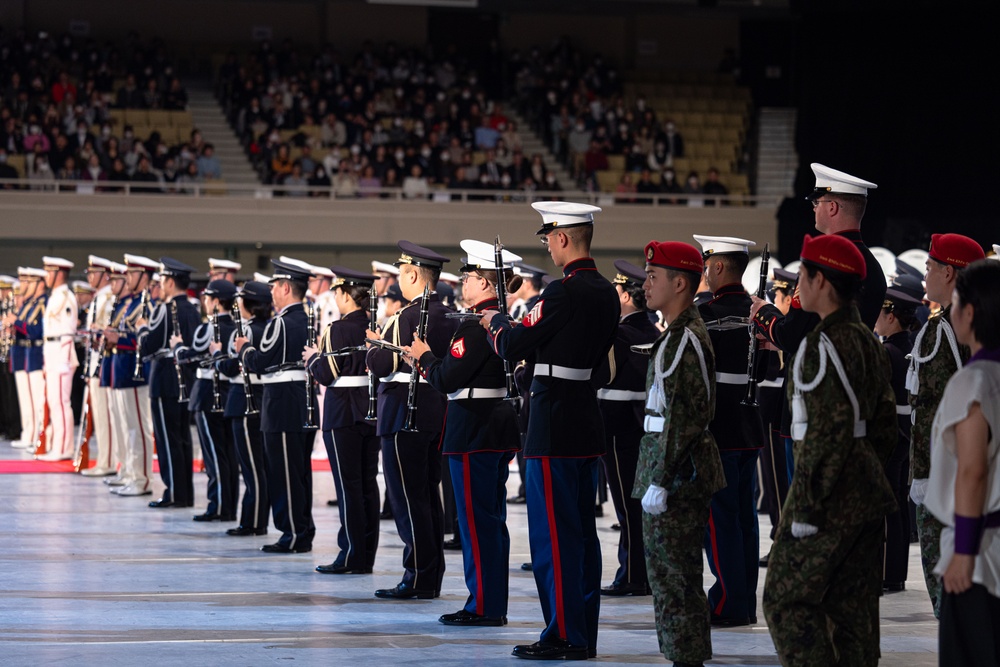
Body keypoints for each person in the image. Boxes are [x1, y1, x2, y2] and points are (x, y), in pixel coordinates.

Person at [482, 201, 619, 661]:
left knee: (553, 538)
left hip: (553, 423)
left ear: (561, 238)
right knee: (582, 535)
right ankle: (583, 631)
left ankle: (563, 634)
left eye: (548, 238)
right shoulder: (603, 291)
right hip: (584, 419)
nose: (548, 246)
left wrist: (496, 323)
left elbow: (513, 344)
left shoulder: (562, 293)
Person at [762, 234, 897, 667]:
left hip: (827, 500)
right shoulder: (865, 340)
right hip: (865, 491)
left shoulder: (819, 346)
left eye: (803, 275)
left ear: (820, 281)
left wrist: (804, 510)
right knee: (854, 614)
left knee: (784, 598)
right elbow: (884, 427)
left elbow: (826, 436)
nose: (798, 285)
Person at [751, 163, 887, 489]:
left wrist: (764, 313)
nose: (813, 207)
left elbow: (795, 334)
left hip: (811, 404)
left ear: (832, 206)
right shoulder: (873, 264)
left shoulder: (825, 263)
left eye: (817, 201)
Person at [408, 240, 522, 626]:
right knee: (489, 520)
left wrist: (423, 355)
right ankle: (489, 602)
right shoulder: (493, 322)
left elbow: (445, 377)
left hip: (473, 427)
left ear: (488, 284)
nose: (464, 281)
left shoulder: (476, 327)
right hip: (489, 425)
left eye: (470, 276)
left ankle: (484, 606)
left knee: (477, 522)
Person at [634, 240, 725, 667]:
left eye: (654, 277)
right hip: (670, 471)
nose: (646, 284)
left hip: (678, 476)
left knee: (676, 579)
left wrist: (661, 479)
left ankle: (686, 660)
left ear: (681, 283)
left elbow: (686, 418)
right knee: (670, 578)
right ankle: (682, 656)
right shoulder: (675, 334)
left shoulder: (685, 338)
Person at [366, 241, 458, 598]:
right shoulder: (449, 315)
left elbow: (380, 365)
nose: (399, 282)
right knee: (427, 496)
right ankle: (429, 574)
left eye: (402, 274)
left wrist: (375, 344)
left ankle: (417, 575)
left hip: (405, 412)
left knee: (408, 499)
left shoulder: (406, 317)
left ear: (414, 274)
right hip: (435, 411)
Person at [924, 259, 1000, 665]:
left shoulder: (974, 380)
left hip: (983, 552)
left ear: (969, 312)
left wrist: (964, 551)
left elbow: (973, 471)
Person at [907, 233, 986, 616]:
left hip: (945, 477)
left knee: (948, 597)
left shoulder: (941, 333)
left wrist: (922, 476)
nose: (926, 273)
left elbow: (932, 414)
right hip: (968, 472)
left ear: (950, 273)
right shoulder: (965, 329)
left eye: (931, 266)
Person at [693, 235, 769, 627]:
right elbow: (771, 370)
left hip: (719, 426)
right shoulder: (761, 312)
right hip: (749, 424)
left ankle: (727, 603)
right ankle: (743, 601)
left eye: (708, 264)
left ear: (718, 267)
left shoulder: (705, 314)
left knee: (720, 519)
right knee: (744, 518)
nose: (705, 272)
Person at [236, 259, 316, 553]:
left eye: (273, 287)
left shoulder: (281, 322)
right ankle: (302, 530)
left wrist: (244, 348)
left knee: (285, 473)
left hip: (282, 403)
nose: (271, 293)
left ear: (285, 287)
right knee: (299, 472)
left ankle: (293, 533)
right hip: (302, 400)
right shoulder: (310, 318)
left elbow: (260, 363)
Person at [305, 268, 380, 574]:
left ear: (347, 295)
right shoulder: (377, 325)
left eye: (337, 292)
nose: (335, 297)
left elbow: (326, 373)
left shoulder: (337, 329)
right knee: (367, 485)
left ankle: (350, 554)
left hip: (342, 413)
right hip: (370, 412)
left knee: (348, 486)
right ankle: (365, 554)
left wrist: (312, 358)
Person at [595, 260, 658, 597]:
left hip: (617, 423)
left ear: (626, 297)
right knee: (637, 503)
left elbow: (602, 375)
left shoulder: (619, 333)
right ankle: (638, 571)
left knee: (627, 504)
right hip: (642, 422)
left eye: (617, 290)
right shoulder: (652, 330)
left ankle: (633, 574)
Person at [137, 257, 200, 509]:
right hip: (185, 380)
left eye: (162, 280)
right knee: (183, 438)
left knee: (167, 439)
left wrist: (142, 329)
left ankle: (174, 493)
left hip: (165, 380)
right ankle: (185, 493)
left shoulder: (165, 309)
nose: (160, 285)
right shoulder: (193, 309)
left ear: (170, 281)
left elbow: (148, 346)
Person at [874, 274, 924, 591]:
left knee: (886, 503)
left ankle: (886, 573)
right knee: (900, 504)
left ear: (891, 315)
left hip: (889, 433)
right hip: (907, 431)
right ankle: (896, 572)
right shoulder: (910, 347)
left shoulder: (887, 353)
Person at [212, 281, 271, 536]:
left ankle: (253, 521)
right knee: (255, 466)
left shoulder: (249, 330)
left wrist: (216, 356)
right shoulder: (266, 327)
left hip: (246, 399)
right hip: (258, 398)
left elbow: (233, 366)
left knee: (252, 468)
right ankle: (253, 518)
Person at [176, 280, 238, 522]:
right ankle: (228, 505)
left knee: (214, 455)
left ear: (215, 301)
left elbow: (190, 355)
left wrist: (178, 347)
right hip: (229, 393)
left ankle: (219, 506)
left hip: (207, 394)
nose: (204, 302)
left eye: (207, 298)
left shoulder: (207, 329)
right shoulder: (236, 328)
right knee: (228, 454)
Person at [104, 255, 157, 497]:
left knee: (138, 427)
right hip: (122, 368)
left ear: (144, 277)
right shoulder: (131, 303)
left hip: (135, 372)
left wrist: (120, 339)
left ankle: (142, 478)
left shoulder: (147, 305)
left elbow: (148, 340)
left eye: (132, 273)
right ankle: (130, 472)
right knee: (127, 426)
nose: (127, 277)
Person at [757, 267, 796, 567]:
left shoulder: (785, 328)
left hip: (776, 406)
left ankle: (782, 541)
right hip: (771, 404)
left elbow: (773, 369)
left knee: (779, 480)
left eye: (778, 295)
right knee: (773, 482)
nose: (776, 299)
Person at [35, 257, 78, 461]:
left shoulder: (66, 297)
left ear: (59, 273)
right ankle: (58, 445)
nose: (46, 276)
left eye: (49, 272)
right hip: (52, 353)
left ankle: (63, 448)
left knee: (61, 402)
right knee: (54, 401)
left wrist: (62, 360)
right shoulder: (55, 296)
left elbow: (68, 331)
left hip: (62, 354)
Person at [6, 267, 47, 451]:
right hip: (24, 355)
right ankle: (28, 433)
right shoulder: (29, 305)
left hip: (35, 355)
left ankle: (36, 435)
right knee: (26, 399)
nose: (23, 286)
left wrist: (16, 322)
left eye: (27, 282)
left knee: (37, 399)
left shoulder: (42, 303)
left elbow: (36, 331)